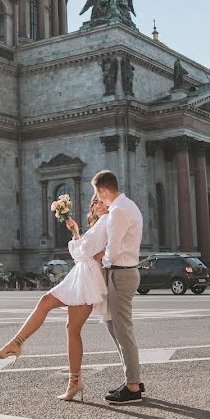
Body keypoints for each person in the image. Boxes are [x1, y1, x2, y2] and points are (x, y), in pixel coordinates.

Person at [0, 195, 109, 401]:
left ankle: (16, 344)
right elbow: (83, 252)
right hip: (82, 275)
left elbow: (83, 252)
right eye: (94, 202)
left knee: (55, 311)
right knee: (70, 328)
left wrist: (80, 239)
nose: (96, 205)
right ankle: (74, 382)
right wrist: (75, 232)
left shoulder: (106, 222)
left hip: (87, 278)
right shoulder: (100, 224)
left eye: (100, 201)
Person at [92, 169, 146, 405]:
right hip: (125, 272)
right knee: (115, 326)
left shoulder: (117, 211)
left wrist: (99, 261)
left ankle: (133, 386)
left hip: (120, 274)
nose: (98, 200)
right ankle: (133, 379)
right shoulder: (128, 205)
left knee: (122, 330)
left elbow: (112, 251)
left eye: (98, 194)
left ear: (103, 190)